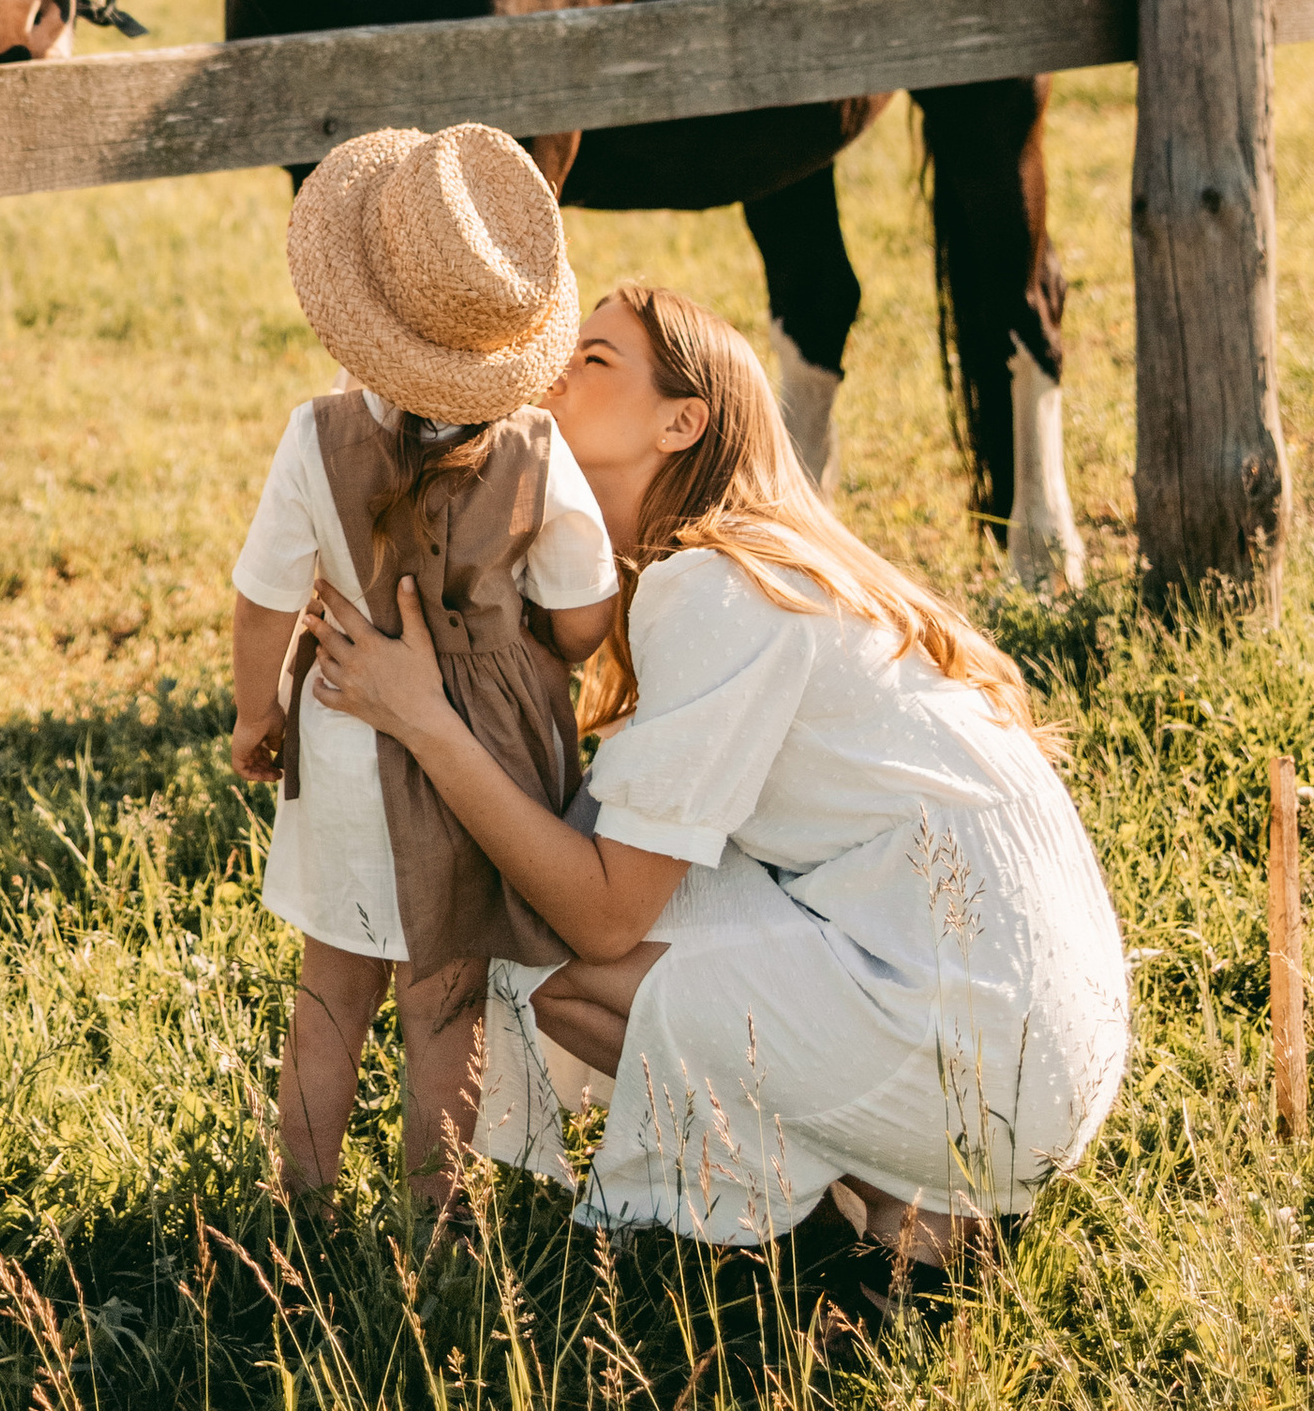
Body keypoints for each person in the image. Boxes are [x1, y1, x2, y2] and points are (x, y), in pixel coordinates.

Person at [308, 277, 1131, 1287]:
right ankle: (895, 1192)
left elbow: (605, 913)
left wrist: (423, 718)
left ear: (681, 421)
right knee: (566, 875)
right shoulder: (752, 569)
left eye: (593, 358)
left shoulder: (717, 583)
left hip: (974, 1047)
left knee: (532, 953)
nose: (553, 373)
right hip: (1040, 1043)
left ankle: (869, 1189)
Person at [229, 123, 618, 1217]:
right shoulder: (539, 449)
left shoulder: (314, 437)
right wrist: (532, 642)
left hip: (351, 723)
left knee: (330, 991)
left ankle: (300, 1206)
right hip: (482, 758)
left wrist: (254, 712)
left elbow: (263, 598)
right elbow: (587, 608)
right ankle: (435, 1224)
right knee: (449, 1003)